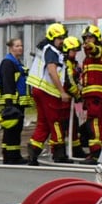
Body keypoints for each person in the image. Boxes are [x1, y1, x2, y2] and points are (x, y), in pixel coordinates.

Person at [27, 23, 73, 166]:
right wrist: (62, 92)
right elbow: (52, 71)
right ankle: (59, 154)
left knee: (44, 123)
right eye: (59, 38)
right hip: (48, 91)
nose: (62, 41)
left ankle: (33, 151)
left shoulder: (47, 49)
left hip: (40, 90)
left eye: (63, 38)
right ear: (52, 38)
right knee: (55, 121)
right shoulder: (52, 51)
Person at [0, 37, 31, 165]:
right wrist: (9, 105)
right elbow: (8, 83)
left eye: (21, 45)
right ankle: (11, 157)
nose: (20, 48)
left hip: (18, 102)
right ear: (10, 48)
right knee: (12, 130)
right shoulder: (8, 63)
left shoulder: (17, 62)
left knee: (16, 130)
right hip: (12, 103)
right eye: (17, 46)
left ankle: (13, 155)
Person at [79, 25, 102, 165]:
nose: (87, 40)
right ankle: (97, 152)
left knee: (94, 123)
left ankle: (96, 153)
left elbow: (94, 49)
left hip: (95, 95)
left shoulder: (99, 51)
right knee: (96, 123)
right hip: (91, 95)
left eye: (90, 37)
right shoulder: (88, 57)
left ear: (97, 39)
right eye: (85, 38)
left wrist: (89, 45)